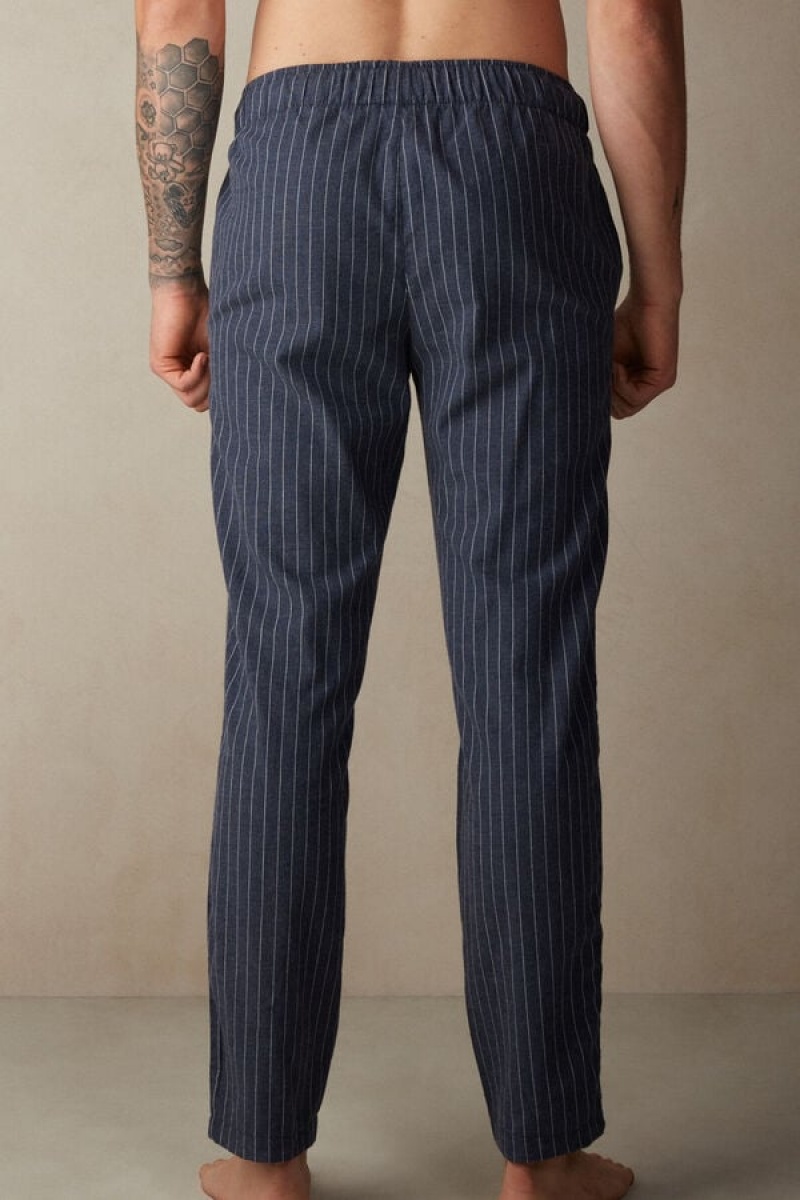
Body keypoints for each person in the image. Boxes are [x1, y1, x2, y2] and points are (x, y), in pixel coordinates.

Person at [134, 1, 685, 1198]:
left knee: (282, 674)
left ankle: (263, 1158)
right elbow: (632, 17)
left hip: (298, 175)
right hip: (511, 167)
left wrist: (172, 269)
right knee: (526, 676)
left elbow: (177, 10)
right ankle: (541, 1156)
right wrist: (657, 281)